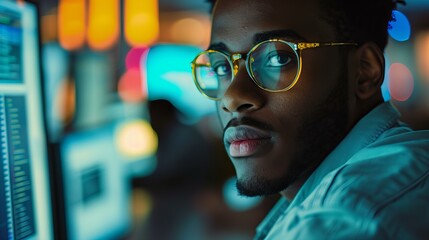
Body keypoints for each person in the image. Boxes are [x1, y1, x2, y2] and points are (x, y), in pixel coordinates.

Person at [190, 0, 429, 239]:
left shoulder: (349, 216)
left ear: (364, 72)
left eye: (277, 59)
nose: (231, 98)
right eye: (221, 67)